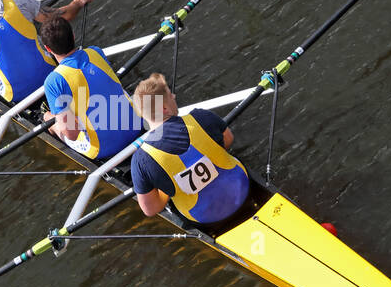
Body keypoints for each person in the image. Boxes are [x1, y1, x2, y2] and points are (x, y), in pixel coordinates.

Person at [130, 73, 249, 226]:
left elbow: (151, 209)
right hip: (243, 188)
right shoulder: (201, 117)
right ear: (164, 108)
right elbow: (228, 138)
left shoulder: (141, 160)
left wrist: (169, 188)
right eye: (169, 94)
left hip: (205, 217)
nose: (174, 96)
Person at [40, 16, 143, 160]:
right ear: (73, 36)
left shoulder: (53, 81)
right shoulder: (95, 52)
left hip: (105, 149)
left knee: (49, 120)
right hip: (136, 127)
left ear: (48, 49)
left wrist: (49, 116)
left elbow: (72, 134)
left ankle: (48, 119)